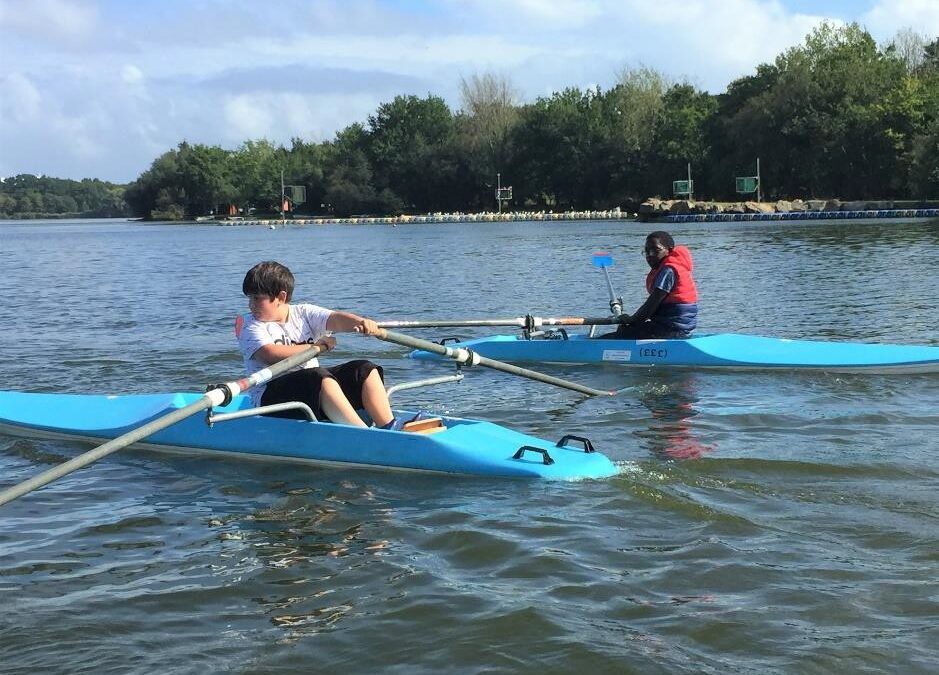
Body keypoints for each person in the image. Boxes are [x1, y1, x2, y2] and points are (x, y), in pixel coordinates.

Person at [235, 260, 404, 429]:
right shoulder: (249, 324)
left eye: (257, 298)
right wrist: (314, 348)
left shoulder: (304, 313)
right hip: (268, 399)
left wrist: (362, 322)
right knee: (319, 377)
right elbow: (269, 354)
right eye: (250, 298)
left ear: (281, 297)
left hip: (310, 389)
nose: (251, 305)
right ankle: (363, 434)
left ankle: (389, 426)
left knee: (364, 369)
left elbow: (335, 319)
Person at [600, 231, 698, 339]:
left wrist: (632, 320)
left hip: (672, 328)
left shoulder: (668, 271)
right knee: (628, 329)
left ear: (669, 251)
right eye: (647, 251)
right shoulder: (673, 267)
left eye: (655, 250)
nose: (650, 255)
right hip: (678, 327)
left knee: (623, 331)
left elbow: (652, 304)